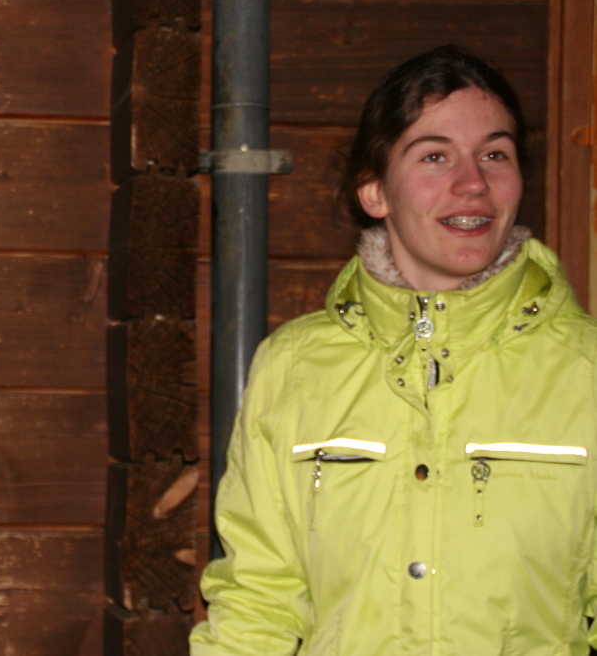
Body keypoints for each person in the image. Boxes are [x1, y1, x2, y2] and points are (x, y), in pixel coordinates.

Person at [190, 46, 597, 654]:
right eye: (435, 155)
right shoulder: (294, 367)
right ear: (374, 190)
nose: (473, 183)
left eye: (495, 154)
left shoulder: (585, 370)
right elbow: (257, 602)